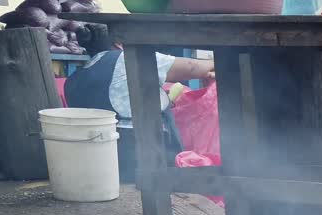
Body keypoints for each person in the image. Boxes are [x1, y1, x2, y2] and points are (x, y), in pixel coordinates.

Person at [65, 31, 215, 170]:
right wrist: (216, 62)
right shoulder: (125, 58)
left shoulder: (74, 79)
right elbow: (191, 67)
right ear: (119, 44)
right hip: (140, 156)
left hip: (97, 161)